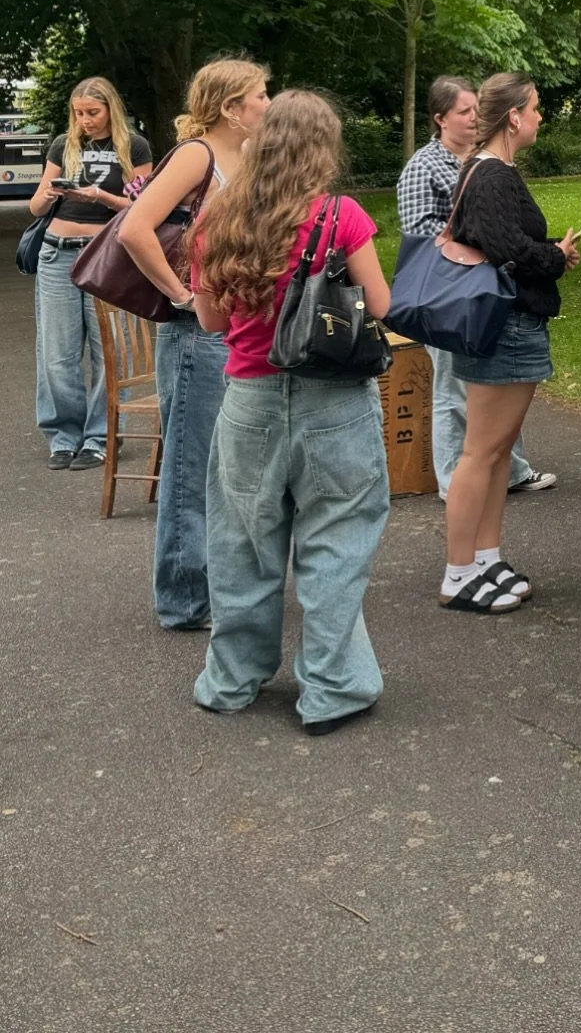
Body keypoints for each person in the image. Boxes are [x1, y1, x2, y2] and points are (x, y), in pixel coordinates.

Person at [189, 90, 391, 735]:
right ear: (323, 148)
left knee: (242, 542)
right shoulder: (341, 215)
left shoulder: (216, 220)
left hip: (249, 399)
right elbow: (380, 306)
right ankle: (331, 688)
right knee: (337, 541)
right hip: (334, 398)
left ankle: (232, 678)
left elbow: (212, 320)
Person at [118, 58, 271, 631]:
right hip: (194, 333)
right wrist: (181, 295)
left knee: (227, 461)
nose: (266, 102)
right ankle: (185, 599)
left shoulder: (248, 155)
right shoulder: (196, 154)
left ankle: (218, 584)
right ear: (231, 107)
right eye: (260, 94)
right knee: (191, 463)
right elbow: (136, 228)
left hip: (232, 326)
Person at [439, 74, 581, 614]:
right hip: (506, 326)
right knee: (480, 451)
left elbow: (506, 243)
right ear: (515, 117)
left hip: (511, 324)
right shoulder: (492, 175)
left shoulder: (490, 172)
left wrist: (544, 252)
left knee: (497, 452)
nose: (542, 117)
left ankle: (485, 557)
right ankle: (458, 572)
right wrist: (554, 257)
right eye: (537, 108)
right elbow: (507, 249)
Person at [396, 76, 557, 503]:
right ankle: (455, 485)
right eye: (464, 111)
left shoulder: (480, 163)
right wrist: (482, 247)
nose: (472, 117)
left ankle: (511, 471)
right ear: (440, 119)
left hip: (484, 294)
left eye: (475, 109)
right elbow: (423, 238)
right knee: (453, 394)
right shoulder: (427, 167)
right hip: (453, 296)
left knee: (495, 398)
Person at [29, 78, 152, 471]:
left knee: (109, 350)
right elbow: (34, 207)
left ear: (110, 109)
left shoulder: (133, 146)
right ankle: (63, 435)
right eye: (79, 113)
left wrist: (99, 196)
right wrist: (51, 193)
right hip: (57, 254)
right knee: (57, 353)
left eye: (93, 113)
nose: (85, 121)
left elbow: (142, 207)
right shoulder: (63, 145)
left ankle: (100, 436)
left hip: (108, 256)